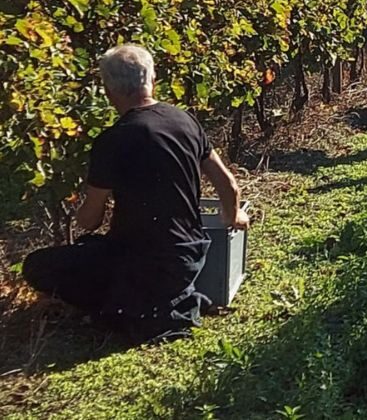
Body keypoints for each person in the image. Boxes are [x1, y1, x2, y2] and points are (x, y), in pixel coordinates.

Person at [23, 45, 249, 343]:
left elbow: (90, 221)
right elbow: (227, 184)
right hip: (189, 256)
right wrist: (234, 215)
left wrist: (82, 208)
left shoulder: (113, 140)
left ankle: (118, 305)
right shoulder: (185, 121)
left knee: (37, 265)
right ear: (152, 79)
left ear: (108, 91)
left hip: (138, 261)